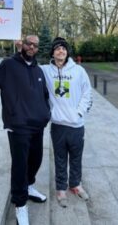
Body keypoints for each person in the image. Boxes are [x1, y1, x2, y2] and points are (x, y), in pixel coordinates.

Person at [0, 35, 50, 225]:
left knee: (35, 161)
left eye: (35, 45)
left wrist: (45, 113)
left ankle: (29, 187)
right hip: (18, 126)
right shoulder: (8, 65)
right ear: (22, 44)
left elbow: (44, 95)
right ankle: (20, 204)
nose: (32, 47)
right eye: (29, 43)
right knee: (20, 166)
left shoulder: (38, 69)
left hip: (37, 126)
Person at [40, 37, 92, 208]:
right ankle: (61, 189)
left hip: (76, 125)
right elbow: (27, 67)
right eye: (57, 48)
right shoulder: (45, 70)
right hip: (58, 125)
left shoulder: (79, 71)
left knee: (76, 158)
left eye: (63, 48)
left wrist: (79, 113)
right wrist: (19, 49)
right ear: (52, 52)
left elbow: (87, 94)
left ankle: (75, 184)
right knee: (60, 159)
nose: (60, 51)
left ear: (67, 52)